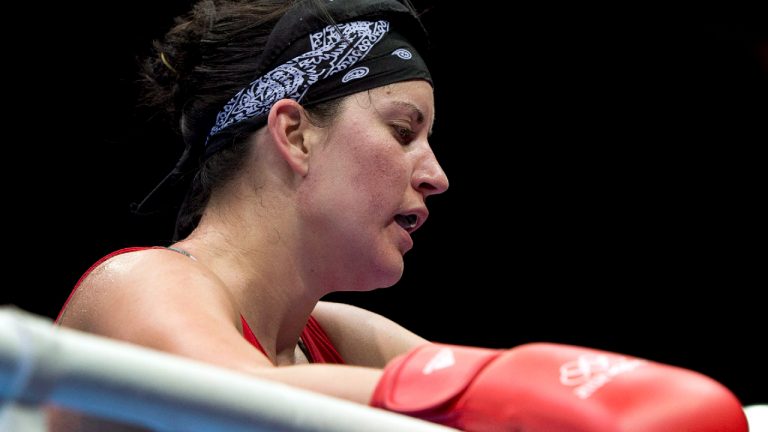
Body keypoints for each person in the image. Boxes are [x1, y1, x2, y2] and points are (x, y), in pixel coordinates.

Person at [47, 1, 749, 431]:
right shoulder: (141, 284)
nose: (436, 175)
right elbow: (242, 402)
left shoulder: (337, 338)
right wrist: (504, 396)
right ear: (293, 134)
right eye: (402, 130)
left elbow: (548, 401)